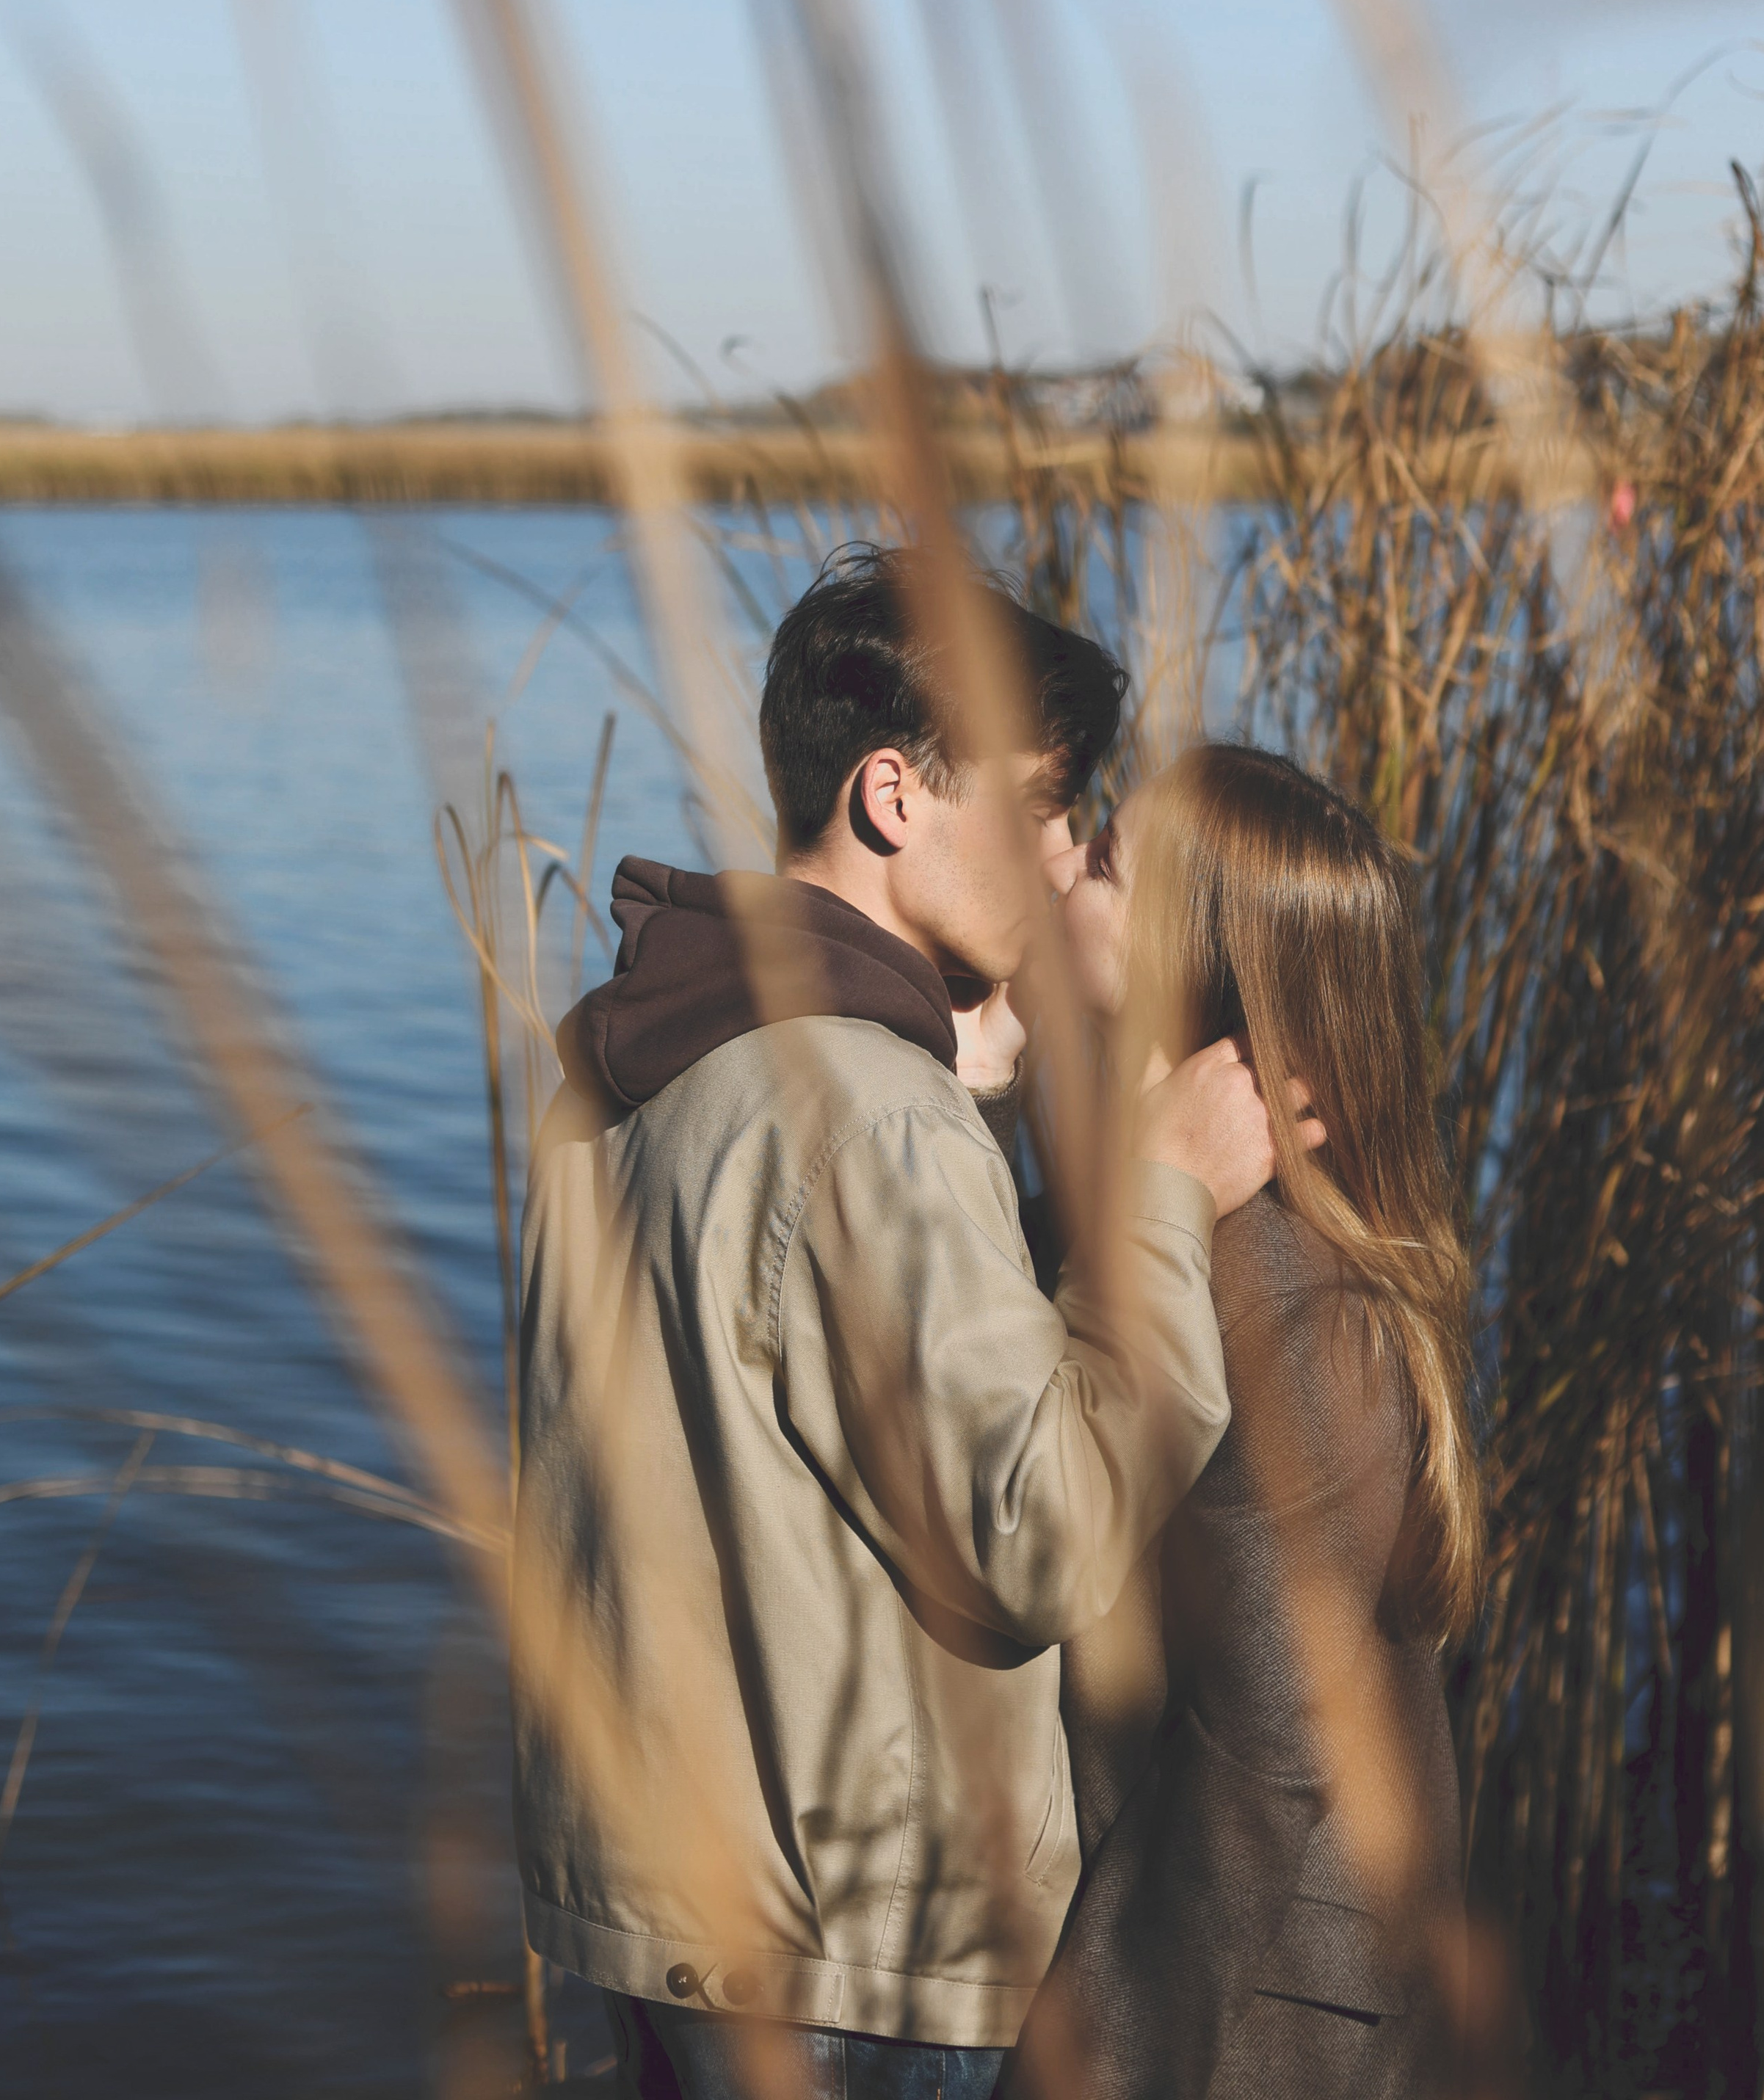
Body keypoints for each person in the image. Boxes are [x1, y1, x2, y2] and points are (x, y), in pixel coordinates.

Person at [510, 551, 1291, 2100]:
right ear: (893, 796)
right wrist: (1157, 1195)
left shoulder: (640, 1062)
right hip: (850, 1953)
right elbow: (1041, 1538)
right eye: (1046, 800)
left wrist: (949, 1066)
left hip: (667, 1908)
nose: (1069, 854)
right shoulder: (871, 1124)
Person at [1010, 744, 1482, 2100]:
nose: (1061, 865)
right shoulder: (1170, 1226)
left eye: (1102, 862)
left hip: (1249, 2025)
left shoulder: (1276, 1286)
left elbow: (1267, 1761)